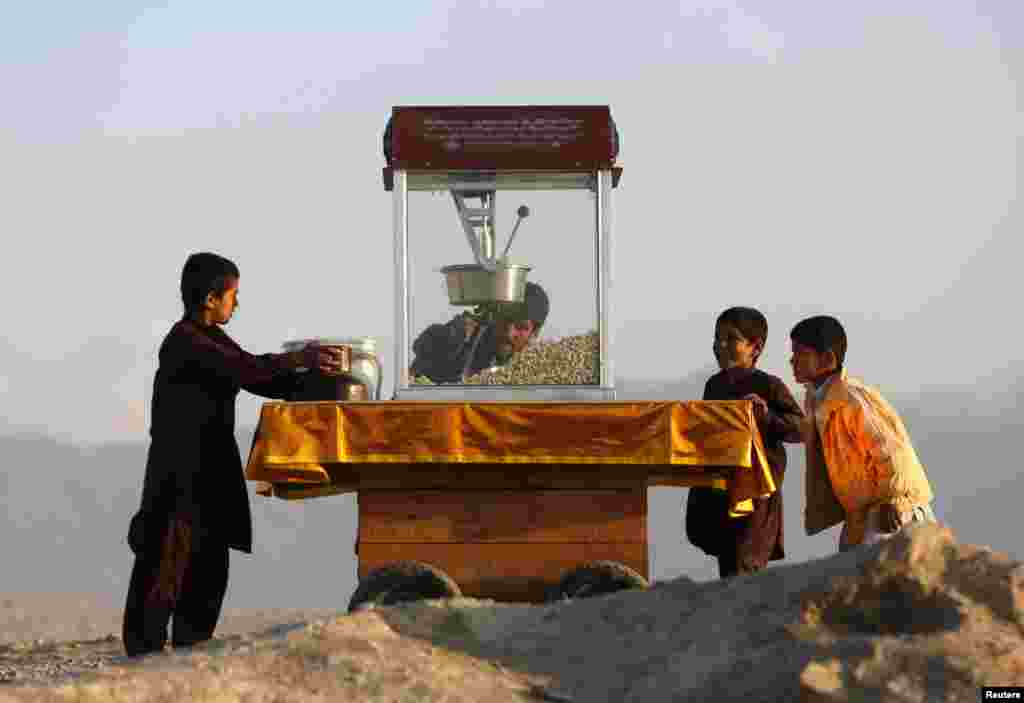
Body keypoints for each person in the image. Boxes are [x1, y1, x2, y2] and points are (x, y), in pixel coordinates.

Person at [122, 252, 345, 656]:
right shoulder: (185, 341)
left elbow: (257, 375)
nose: (236, 304)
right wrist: (299, 360)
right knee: (165, 563)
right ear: (211, 299)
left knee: (207, 567)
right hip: (180, 474)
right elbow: (249, 370)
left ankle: (190, 650)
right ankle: (143, 655)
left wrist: (320, 383)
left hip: (210, 471)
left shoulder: (212, 338)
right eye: (233, 295)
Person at [790, 315, 936, 552]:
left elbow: (890, 449)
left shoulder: (851, 398)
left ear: (827, 358)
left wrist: (895, 501)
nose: (792, 360)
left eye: (801, 354)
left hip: (892, 513)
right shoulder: (816, 402)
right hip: (861, 515)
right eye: (793, 354)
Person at [685, 307, 804, 578]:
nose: (720, 346)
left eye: (731, 339)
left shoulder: (768, 385)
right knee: (729, 569)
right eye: (717, 338)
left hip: (756, 496)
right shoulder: (714, 386)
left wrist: (766, 416)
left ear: (755, 347)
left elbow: (801, 429)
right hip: (721, 494)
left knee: (744, 570)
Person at [409, 281, 550, 384]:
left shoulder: (540, 369)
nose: (509, 332)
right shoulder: (462, 337)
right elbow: (412, 379)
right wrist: (445, 339)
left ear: (534, 332)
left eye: (520, 327)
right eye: (504, 321)